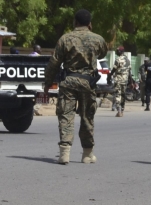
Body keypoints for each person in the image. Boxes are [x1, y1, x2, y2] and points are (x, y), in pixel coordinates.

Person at [42, 9, 107, 164]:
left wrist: (48, 82)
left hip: (69, 82)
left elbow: (54, 63)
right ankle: (87, 154)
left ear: (75, 22)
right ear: (90, 24)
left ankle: (64, 153)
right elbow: (103, 54)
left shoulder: (65, 39)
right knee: (87, 117)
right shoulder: (98, 39)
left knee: (66, 115)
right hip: (87, 83)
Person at [111, 46, 131, 117]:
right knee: (123, 95)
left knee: (117, 94)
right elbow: (129, 71)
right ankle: (122, 110)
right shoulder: (128, 60)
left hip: (118, 79)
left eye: (117, 51)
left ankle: (119, 110)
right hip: (125, 80)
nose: (116, 52)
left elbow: (114, 69)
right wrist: (131, 81)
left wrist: (109, 75)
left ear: (120, 51)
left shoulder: (118, 59)